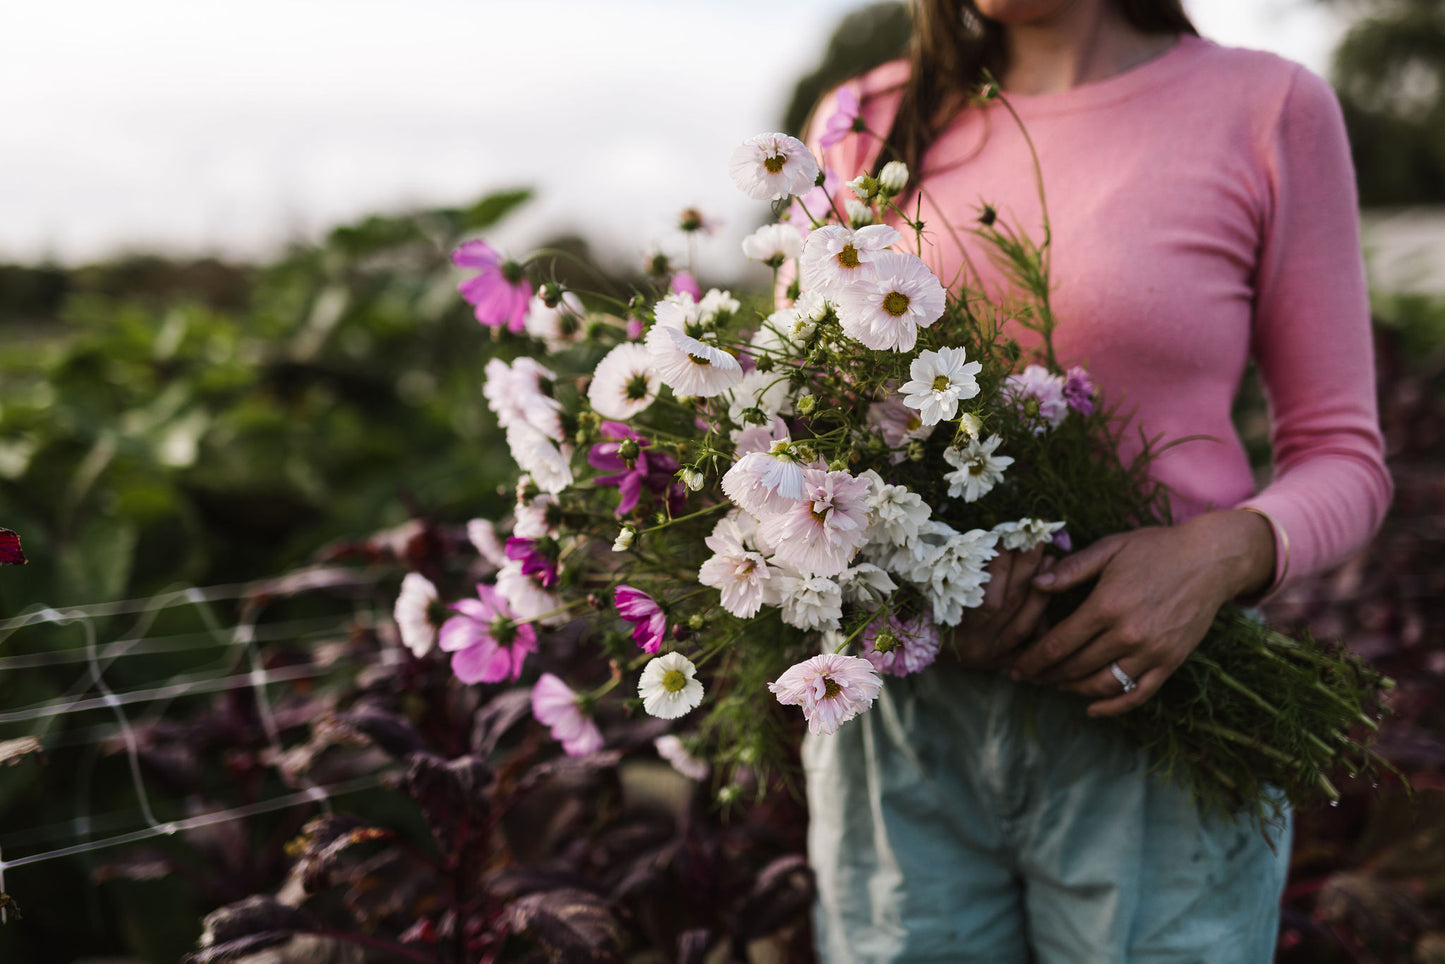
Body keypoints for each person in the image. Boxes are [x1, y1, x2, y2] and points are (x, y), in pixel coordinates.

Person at [798, 1, 1394, 960]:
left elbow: (1345, 458)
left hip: (1162, 716)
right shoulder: (866, 121)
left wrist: (1213, 555)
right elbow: (798, 419)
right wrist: (920, 581)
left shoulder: (1266, 108)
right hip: (905, 730)